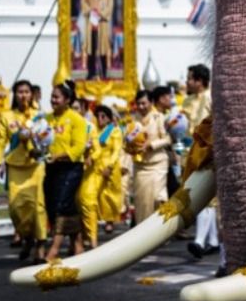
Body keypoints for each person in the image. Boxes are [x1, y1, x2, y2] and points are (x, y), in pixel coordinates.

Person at [0, 80, 47, 262]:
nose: (23, 95)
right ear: (14, 95)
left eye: (27, 92)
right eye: (20, 92)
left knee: (37, 207)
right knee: (16, 208)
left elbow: (47, 139)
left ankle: (40, 245)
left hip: (35, 166)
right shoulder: (6, 116)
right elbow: (0, 143)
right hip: (15, 167)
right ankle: (27, 237)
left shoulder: (38, 115)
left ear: (32, 95)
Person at [42, 83, 90, 262]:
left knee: (63, 204)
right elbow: (41, 141)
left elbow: (78, 148)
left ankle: (54, 249)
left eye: (57, 97)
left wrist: (58, 156)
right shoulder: (46, 119)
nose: (53, 100)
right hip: (51, 168)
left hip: (71, 168)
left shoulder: (76, 120)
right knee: (55, 205)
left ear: (67, 100)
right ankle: (77, 241)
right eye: (52, 96)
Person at [79, 104, 124, 248]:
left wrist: (109, 166)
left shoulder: (115, 131)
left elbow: (116, 151)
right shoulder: (93, 130)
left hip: (109, 168)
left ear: (109, 118)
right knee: (91, 198)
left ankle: (109, 221)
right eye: (97, 116)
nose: (100, 119)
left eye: (103, 116)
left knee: (109, 196)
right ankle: (91, 232)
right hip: (94, 168)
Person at [126, 88, 170, 224]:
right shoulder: (133, 121)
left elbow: (168, 139)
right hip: (141, 167)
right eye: (138, 104)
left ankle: (162, 228)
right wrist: (131, 148)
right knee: (143, 203)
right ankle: (144, 234)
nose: (141, 107)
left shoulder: (160, 118)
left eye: (144, 103)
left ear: (151, 102)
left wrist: (152, 145)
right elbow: (126, 142)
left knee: (159, 197)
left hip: (158, 165)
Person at [80, 0, 114, 78]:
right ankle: (91, 72)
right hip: (91, 22)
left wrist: (101, 12)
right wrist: (90, 10)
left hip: (102, 23)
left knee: (103, 49)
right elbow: (83, 2)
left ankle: (103, 72)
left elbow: (110, 5)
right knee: (91, 49)